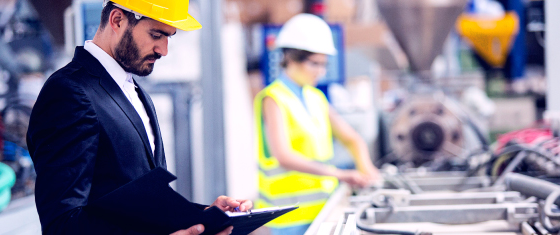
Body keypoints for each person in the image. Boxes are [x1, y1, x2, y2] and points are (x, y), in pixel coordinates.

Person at [26, 0, 251, 234]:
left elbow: (143, 206)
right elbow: (62, 224)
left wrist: (204, 216)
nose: (163, 50)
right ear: (117, 20)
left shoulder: (135, 93)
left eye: (168, 37)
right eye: (156, 35)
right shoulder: (69, 93)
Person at [254, 14, 381, 235]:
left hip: (322, 211)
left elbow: (351, 138)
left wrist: (367, 169)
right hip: (286, 218)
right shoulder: (273, 98)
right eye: (314, 63)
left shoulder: (316, 98)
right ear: (291, 59)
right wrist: (340, 174)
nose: (320, 71)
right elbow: (283, 156)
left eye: (324, 64)